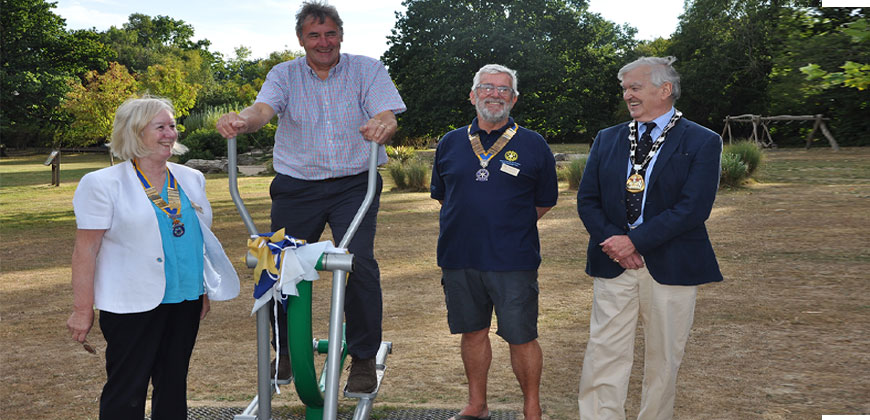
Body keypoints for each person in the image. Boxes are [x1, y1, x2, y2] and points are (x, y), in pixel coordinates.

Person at [215, 1, 406, 392]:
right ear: (301, 39)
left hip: (355, 183)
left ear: (341, 35)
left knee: (359, 264)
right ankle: (285, 350)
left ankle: (364, 358)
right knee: (276, 261)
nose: (324, 42)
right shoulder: (283, 74)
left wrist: (383, 125)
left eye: (330, 33)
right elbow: (263, 109)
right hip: (297, 185)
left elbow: (387, 113)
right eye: (314, 35)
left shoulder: (366, 68)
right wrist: (242, 121)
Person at [66, 96, 240, 419]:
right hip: (130, 305)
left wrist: (200, 289)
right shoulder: (102, 184)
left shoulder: (191, 179)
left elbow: (193, 238)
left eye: (172, 126)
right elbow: (84, 250)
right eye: (159, 127)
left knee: (174, 386)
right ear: (134, 133)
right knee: (127, 391)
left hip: (185, 300)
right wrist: (81, 309)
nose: (170, 134)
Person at [576, 56, 723, 420]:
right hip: (613, 263)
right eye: (625, 88)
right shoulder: (607, 138)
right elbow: (587, 200)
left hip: (671, 265)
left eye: (635, 87)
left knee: (664, 359)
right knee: (603, 353)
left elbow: (693, 208)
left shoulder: (703, 140)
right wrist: (615, 242)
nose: (628, 95)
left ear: (665, 89)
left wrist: (636, 242)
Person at [430, 64, 558, 420]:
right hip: (459, 256)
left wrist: (508, 225)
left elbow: (546, 199)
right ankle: (477, 405)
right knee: (472, 333)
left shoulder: (533, 143)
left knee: (521, 336)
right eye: (487, 87)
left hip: (513, 258)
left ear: (514, 99)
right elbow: (443, 195)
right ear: (473, 95)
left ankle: (532, 409)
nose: (495, 94)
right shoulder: (450, 142)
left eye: (504, 90)